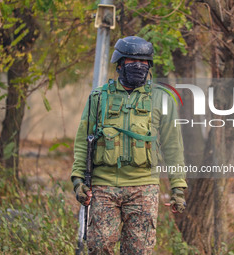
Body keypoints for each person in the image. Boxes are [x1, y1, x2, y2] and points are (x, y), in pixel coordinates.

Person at [71, 36, 187, 254]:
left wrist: (178, 188)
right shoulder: (98, 97)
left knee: (139, 250)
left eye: (144, 62)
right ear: (120, 63)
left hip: (144, 188)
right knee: (99, 247)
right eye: (132, 60)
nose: (138, 66)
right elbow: (82, 142)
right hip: (103, 186)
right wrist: (78, 180)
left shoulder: (161, 98)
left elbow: (173, 146)